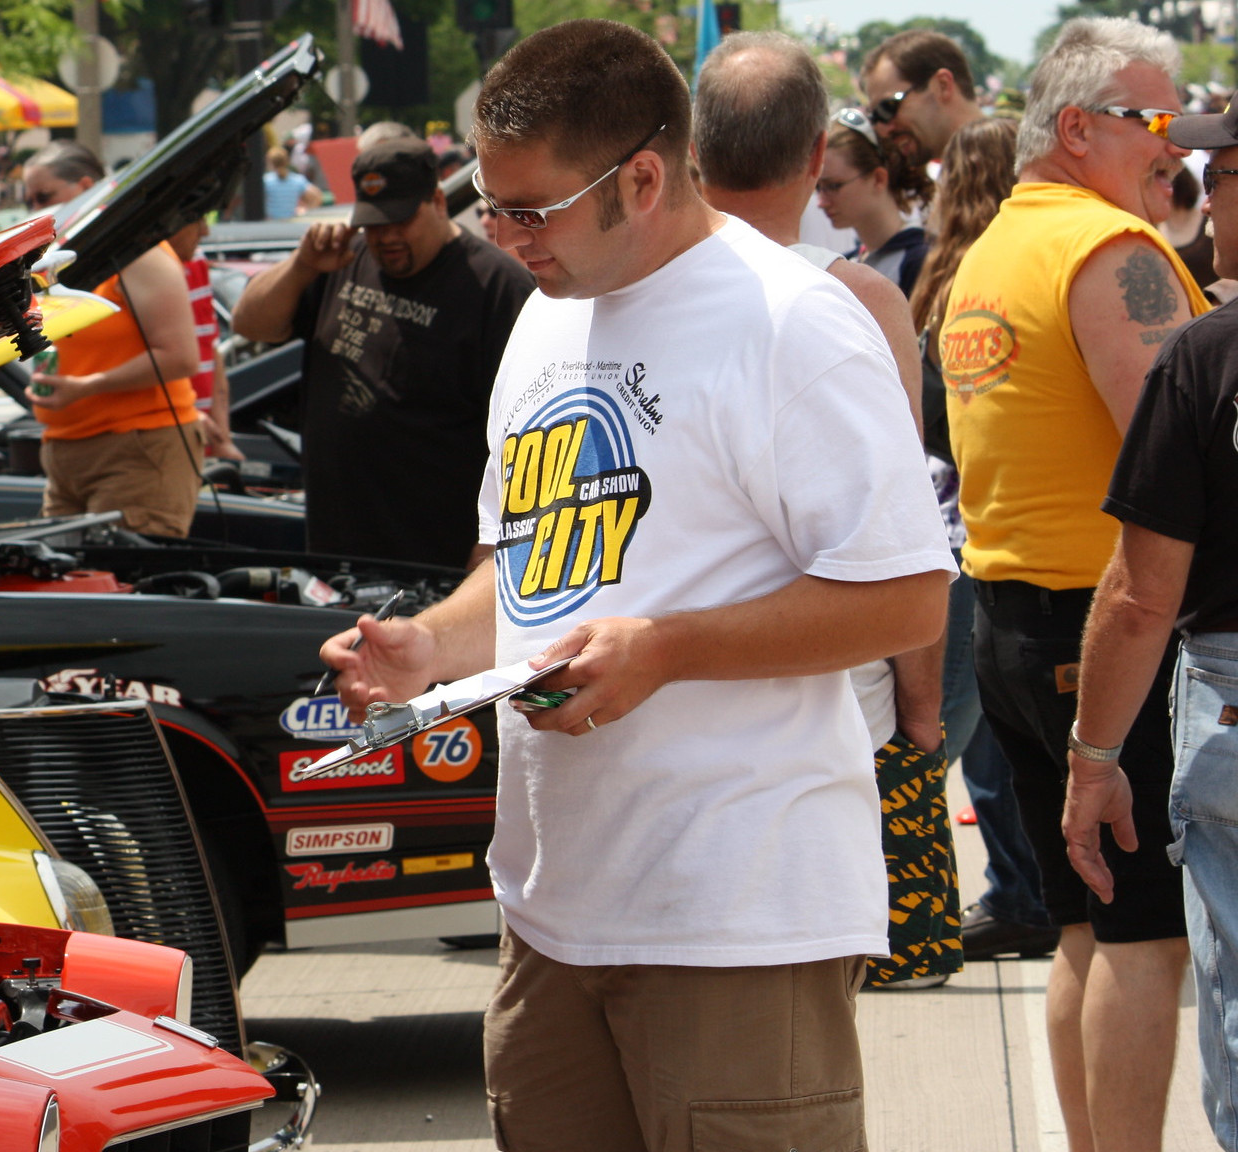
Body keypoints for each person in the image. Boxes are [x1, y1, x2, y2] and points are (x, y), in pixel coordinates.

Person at [326, 21, 949, 1149]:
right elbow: (518, 568)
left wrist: (662, 649)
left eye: (530, 208)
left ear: (644, 177)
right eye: (489, 205)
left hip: (733, 918)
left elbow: (905, 595)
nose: (503, 235)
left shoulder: (790, 324)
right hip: (551, 909)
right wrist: (430, 646)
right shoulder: (541, 321)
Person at [939, 18, 1207, 1149]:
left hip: (1017, 624)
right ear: (1075, 128)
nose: (1176, 151)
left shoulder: (1000, 244)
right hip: (1102, 634)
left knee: (1085, 933)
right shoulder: (1108, 253)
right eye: (1154, 124)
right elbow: (1185, 458)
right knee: (1141, 937)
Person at [693, 29, 956, 990]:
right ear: (815, 159)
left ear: (693, 152)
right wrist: (921, 714)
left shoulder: (616, 296)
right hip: (832, 715)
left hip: (664, 729)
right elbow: (903, 526)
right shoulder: (859, 304)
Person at [1065, 101, 1238, 1151]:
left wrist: (1092, 758)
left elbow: (1138, 598)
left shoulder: (1205, 359)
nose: (1203, 205)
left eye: (1210, 180)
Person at [909, 114, 1063, 962]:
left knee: (965, 734)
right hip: (995, 524)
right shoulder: (1016, 273)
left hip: (948, 523)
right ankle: (1020, 889)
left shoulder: (940, 278)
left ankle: (1012, 890)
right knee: (978, 734)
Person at [231, 138, 534, 569]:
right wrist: (301, 265)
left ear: (437, 201)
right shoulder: (341, 260)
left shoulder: (496, 287)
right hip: (336, 550)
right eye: (374, 223)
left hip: (435, 561)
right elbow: (249, 323)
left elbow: (526, 434)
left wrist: (490, 552)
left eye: (400, 220)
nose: (386, 237)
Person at [22, 140, 205, 536]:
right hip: (65, 452)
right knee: (69, 586)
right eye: (30, 200)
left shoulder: (136, 253)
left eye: (44, 196)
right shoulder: (62, 258)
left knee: (118, 584)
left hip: (136, 449)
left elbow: (179, 356)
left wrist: (87, 387)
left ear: (86, 186)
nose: (36, 209)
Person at [820, 108, 933, 295]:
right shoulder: (849, 262)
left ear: (879, 178)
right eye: (818, 188)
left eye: (833, 186)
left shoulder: (921, 260)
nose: (821, 202)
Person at [168, 215, 243, 461]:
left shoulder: (195, 261)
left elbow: (210, 350)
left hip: (198, 441)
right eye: (195, 218)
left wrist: (222, 438)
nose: (205, 231)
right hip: (162, 436)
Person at [860, 29, 989, 167]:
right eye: (875, 117)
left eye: (887, 107)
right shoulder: (945, 180)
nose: (883, 129)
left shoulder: (1012, 173)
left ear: (942, 85)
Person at [261, 147, 320, 220]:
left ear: (269, 162)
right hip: (291, 221)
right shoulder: (298, 180)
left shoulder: (266, 180)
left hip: (272, 222)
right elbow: (316, 196)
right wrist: (306, 210)